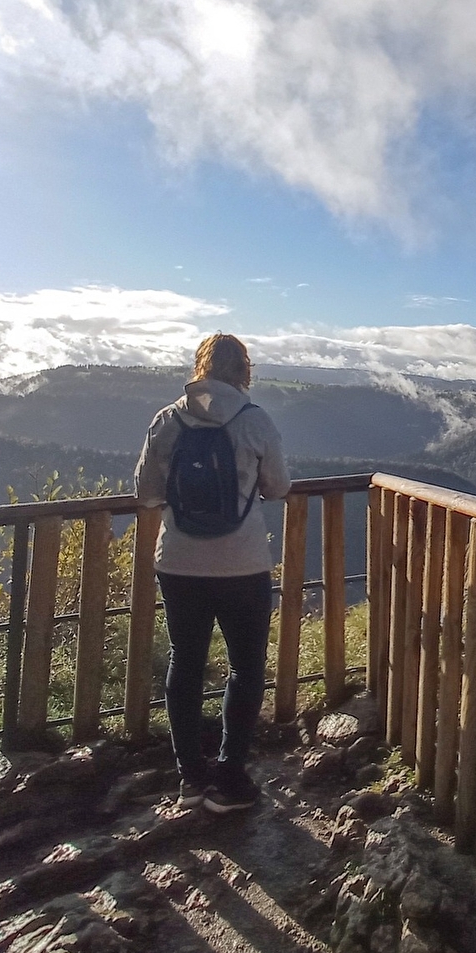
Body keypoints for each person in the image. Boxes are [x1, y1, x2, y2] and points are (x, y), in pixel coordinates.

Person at [134, 333, 289, 813]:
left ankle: (190, 778)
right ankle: (230, 778)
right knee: (245, 667)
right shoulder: (255, 420)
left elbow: (146, 493)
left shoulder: (168, 419)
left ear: (199, 368)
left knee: (185, 662)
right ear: (243, 370)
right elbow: (278, 487)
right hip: (243, 563)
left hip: (178, 563)